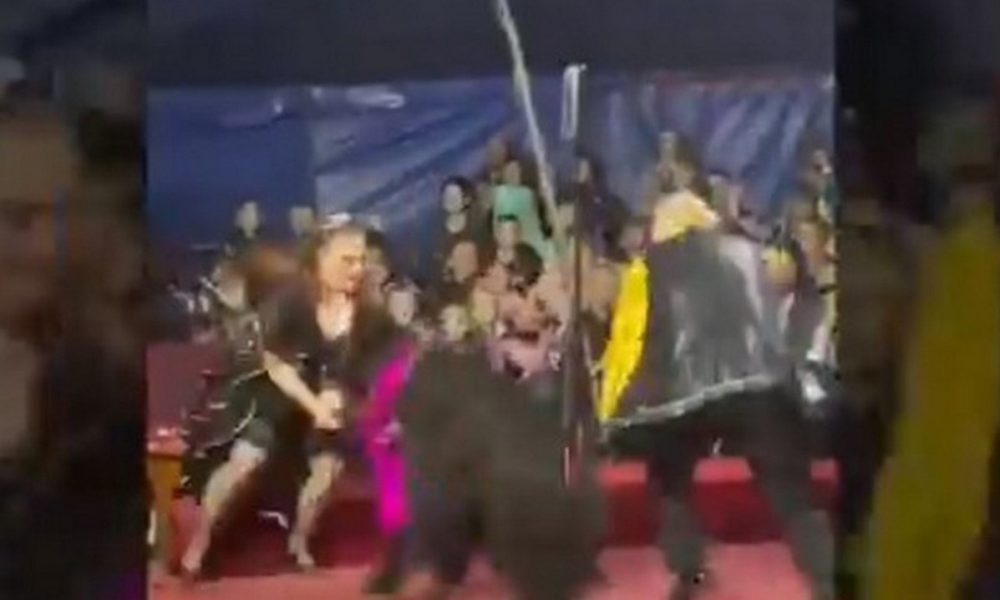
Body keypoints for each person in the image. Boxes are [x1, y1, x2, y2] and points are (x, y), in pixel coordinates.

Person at [600, 182, 835, 599]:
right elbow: (781, 306)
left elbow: (629, 342)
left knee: (668, 481)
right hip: (756, 383)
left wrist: (614, 411)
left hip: (679, 394)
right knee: (789, 491)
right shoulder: (750, 253)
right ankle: (825, 574)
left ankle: (688, 568)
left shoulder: (647, 268)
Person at [179, 222, 401, 578]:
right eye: (347, 260)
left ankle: (299, 541)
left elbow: (380, 368)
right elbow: (276, 365)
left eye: (362, 260)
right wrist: (315, 405)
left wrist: (346, 398)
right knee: (247, 460)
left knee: (329, 469)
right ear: (321, 257)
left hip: (329, 404)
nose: (357, 269)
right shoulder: (293, 298)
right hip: (275, 394)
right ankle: (200, 542)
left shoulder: (371, 314)